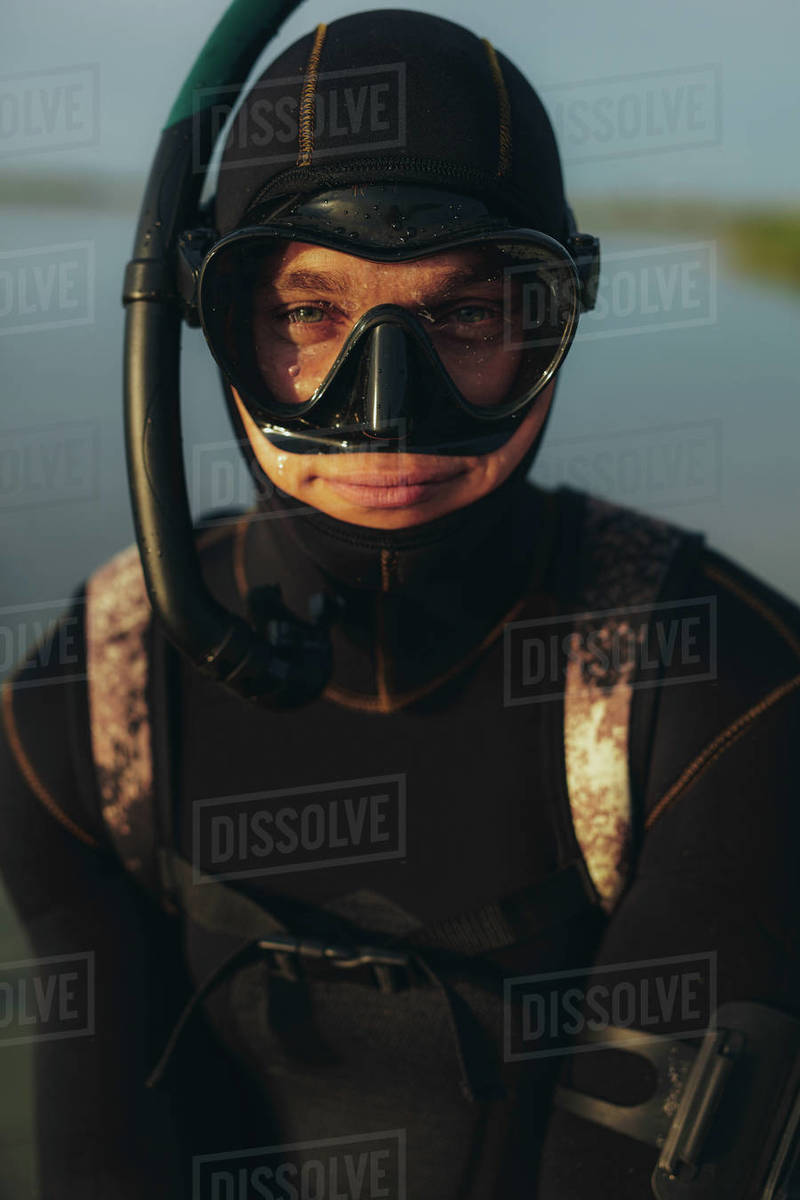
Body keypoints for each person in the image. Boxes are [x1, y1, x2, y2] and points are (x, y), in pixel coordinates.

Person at [1, 7, 799, 1198]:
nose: (388, 413)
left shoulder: (720, 694)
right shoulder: (91, 702)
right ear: (209, 322)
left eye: (466, 314)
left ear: (555, 314)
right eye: (310, 314)